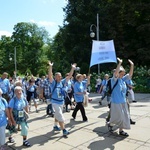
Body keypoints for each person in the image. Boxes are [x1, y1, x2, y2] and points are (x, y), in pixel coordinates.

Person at [48, 61, 76, 136]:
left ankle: (55, 126)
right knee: (60, 116)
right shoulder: (53, 82)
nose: (60, 77)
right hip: (55, 102)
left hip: (61, 101)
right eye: (59, 76)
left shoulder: (63, 82)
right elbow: (50, 75)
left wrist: (72, 68)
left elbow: (69, 76)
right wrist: (50, 66)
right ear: (56, 77)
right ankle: (64, 130)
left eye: (60, 76)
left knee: (57, 114)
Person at [107, 58, 134, 136]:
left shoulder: (123, 80)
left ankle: (121, 131)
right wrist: (119, 63)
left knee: (125, 116)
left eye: (123, 74)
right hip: (116, 102)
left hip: (123, 101)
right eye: (121, 73)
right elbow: (116, 73)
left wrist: (132, 65)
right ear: (117, 73)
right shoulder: (114, 80)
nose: (122, 75)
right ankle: (110, 124)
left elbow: (130, 75)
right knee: (118, 117)